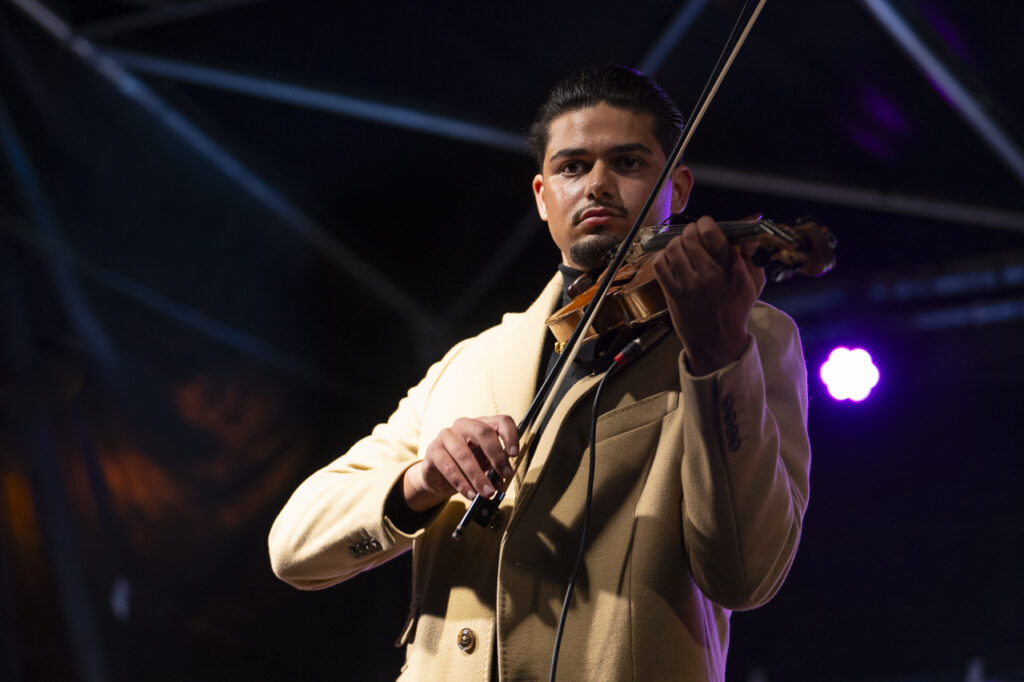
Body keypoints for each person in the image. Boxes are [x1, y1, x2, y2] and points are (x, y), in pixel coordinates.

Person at [269, 65, 811, 681]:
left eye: (629, 163)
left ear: (677, 189)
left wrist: (717, 360)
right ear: (542, 194)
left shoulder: (748, 339)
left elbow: (745, 574)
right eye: (573, 167)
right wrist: (422, 481)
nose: (598, 185)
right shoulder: (469, 362)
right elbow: (292, 550)